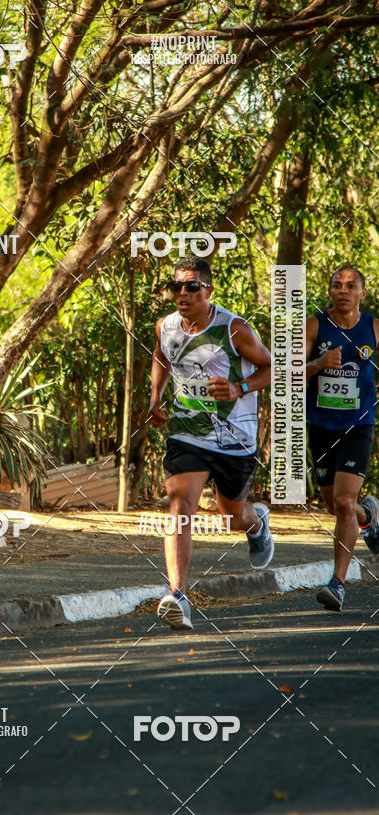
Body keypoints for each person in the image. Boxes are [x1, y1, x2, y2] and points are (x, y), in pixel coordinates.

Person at [149, 257, 273, 631]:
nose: (182, 294)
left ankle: (256, 524)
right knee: (179, 505)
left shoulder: (234, 329)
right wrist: (155, 396)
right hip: (186, 432)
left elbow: (271, 367)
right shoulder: (166, 326)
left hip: (233, 439)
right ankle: (178, 596)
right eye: (177, 287)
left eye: (192, 287)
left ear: (209, 291)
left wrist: (239, 387)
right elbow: (161, 355)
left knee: (231, 517)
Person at [306, 265, 379, 612]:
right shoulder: (315, 325)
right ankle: (370, 515)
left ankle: (337, 584)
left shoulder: (374, 329)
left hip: (358, 425)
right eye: (337, 285)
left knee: (344, 504)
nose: (343, 290)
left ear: (362, 293)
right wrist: (319, 362)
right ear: (330, 291)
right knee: (336, 505)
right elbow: (286, 372)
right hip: (320, 426)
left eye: (351, 286)